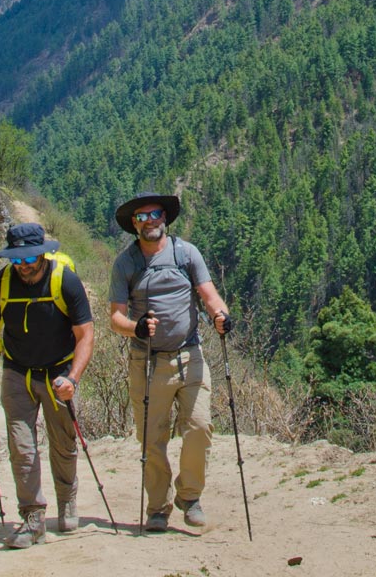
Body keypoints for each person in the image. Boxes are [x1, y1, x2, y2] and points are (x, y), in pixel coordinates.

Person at [107, 191, 234, 533]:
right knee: (152, 439)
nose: (150, 221)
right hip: (146, 361)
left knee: (200, 427)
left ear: (165, 218)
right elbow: (115, 318)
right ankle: (158, 507)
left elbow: (209, 295)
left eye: (155, 214)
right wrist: (136, 328)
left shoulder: (186, 253)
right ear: (134, 225)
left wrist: (220, 315)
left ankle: (189, 497)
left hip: (190, 355)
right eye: (142, 217)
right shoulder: (126, 264)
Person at [0, 222, 94, 549]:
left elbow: (85, 335)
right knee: (21, 447)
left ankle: (67, 500)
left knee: (63, 443)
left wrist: (73, 379)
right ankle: (33, 517)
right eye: (16, 260)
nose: (23, 266)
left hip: (58, 373)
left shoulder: (65, 280)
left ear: (42, 253)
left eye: (28, 259)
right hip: (17, 373)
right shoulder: (2, 282)